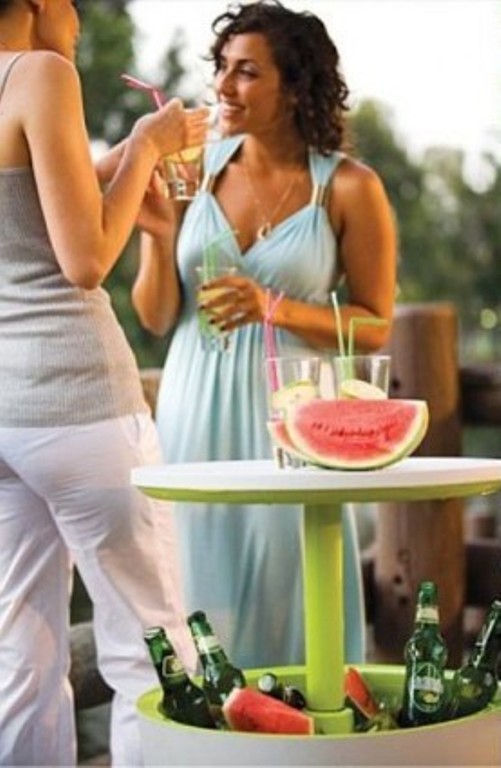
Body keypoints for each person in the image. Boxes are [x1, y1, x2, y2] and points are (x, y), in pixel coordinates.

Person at [133, 0, 397, 670]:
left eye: (246, 72)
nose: (222, 87)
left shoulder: (348, 189)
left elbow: (373, 326)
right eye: (221, 68)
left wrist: (272, 306)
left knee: (291, 592)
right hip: (192, 409)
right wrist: (157, 235)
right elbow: (159, 317)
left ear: (295, 86)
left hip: (292, 420)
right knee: (194, 593)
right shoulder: (195, 169)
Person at [0, 1, 208, 765]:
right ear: (36, 4)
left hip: (5, 417)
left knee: (21, 654)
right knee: (152, 647)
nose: (79, 20)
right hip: (78, 401)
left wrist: (120, 156)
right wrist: (151, 146)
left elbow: (27, 201)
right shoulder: (39, 71)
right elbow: (84, 257)